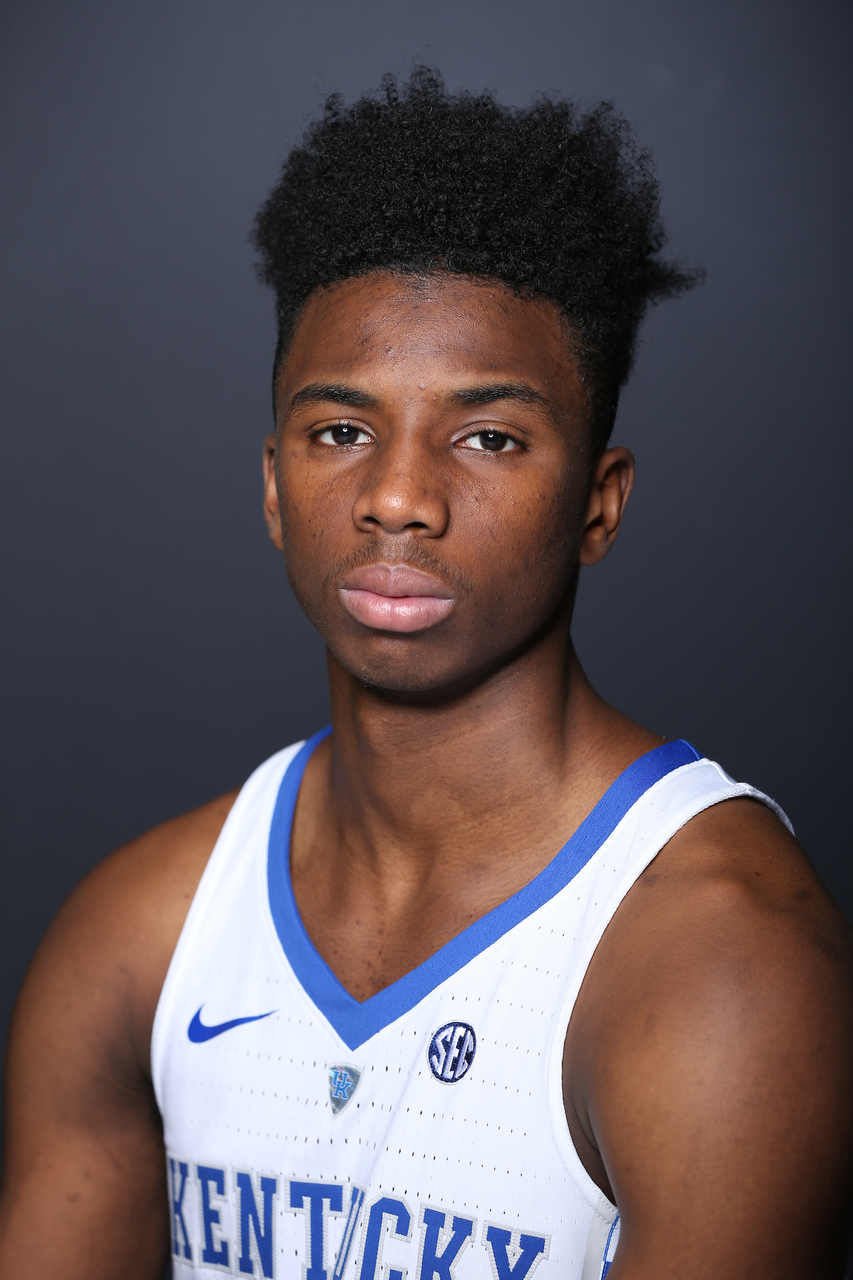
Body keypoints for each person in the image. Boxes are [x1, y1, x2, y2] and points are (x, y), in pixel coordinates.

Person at [1, 67, 851, 1280]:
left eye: (488, 436)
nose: (397, 496)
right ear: (273, 487)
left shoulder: (721, 965)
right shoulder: (141, 937)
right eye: (340, 430)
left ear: (598, 504)